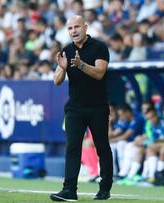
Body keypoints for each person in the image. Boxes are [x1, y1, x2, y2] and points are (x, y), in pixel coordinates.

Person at [50, 15, 112, 201]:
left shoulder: (100, 47)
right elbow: (57, 81)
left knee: (102, 147)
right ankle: (69, 190)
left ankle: (105, 188)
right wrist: (62, 68)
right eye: (70, 29)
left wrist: (80, 65)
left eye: (77, 27)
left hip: (97, 107)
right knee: (72, 148)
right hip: (75, 108)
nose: (74, 31)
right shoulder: (66, 51)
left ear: (86, 27)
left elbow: (100, 73)